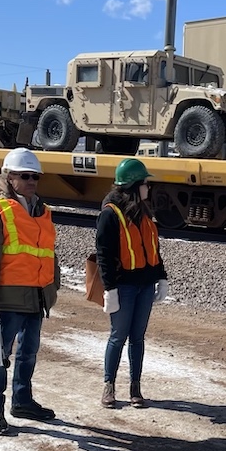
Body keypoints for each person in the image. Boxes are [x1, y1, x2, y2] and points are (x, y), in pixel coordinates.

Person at [0, 148, 60, 436]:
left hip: (36, 297)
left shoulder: (43, 211)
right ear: (9, 178)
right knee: (0, 356)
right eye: (25, 176)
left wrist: (52, 287)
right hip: (7, 300)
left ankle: (22, 401)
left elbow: (49, 253)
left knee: (28, 353)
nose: (32, 181)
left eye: (35, 176)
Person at [95, 158, 168, 408]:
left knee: (138, 337)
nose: (149, 187)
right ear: (134, 186)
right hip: (123, 287)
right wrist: (109, 289)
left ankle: (135, 388)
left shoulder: (145, 213)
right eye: (146, 183)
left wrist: (162, 277)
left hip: (145, 286)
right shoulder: (110, 215)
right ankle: (109, 387)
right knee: (118, 336)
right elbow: (104, 254)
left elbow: (154, 249)